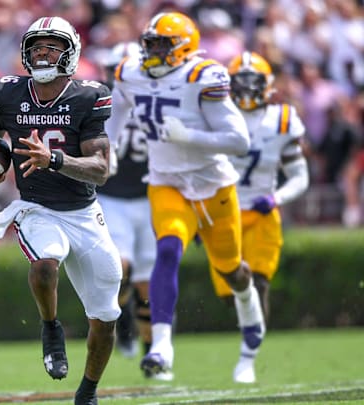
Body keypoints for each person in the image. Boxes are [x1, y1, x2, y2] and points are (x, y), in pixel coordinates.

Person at [0, 16, 122, 405]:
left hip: (84, 213)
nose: (42, 52)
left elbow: (101, 170)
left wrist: (53, 159)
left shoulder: (87, 96)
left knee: (106, 316)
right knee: (45, 263)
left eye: (52, 45)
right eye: (36, 45)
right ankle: (51, 328)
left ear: (70, 52)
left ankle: (87, 391)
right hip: (36, 207)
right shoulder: (7, 92)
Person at [106, 11, 265, 383]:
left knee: (231, 270)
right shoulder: (130, 73)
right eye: (151, 44)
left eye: (163, 45)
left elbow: (239, 141)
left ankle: (247, 301)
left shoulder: (200, 77)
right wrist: (108, 149)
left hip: (213, 186)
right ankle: (161, 346)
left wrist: (189, 137)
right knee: (166, 250)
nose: (154, 52)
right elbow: (114, 116)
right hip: (166, 182)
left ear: (184, 47)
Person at [207, 50, 309, 381]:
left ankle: (247, 358)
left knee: (259, 282)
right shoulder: (215, 116)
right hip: (224, 213)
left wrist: (276, 197)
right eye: (241, 82)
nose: (247, 90)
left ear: (267, 85)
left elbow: (300, 176)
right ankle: (248, 345)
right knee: (232, 293)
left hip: (262, 214)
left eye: (254, 83)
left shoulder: (281, 120)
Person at [96, 42, 160, 370]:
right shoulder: (99, 103)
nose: (117, 78)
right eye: (112, 71)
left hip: (149, 198)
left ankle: (153, 352)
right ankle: (123, 325)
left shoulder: (157, 97)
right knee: (120, 268)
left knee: (147, 281)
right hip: (111, 198)